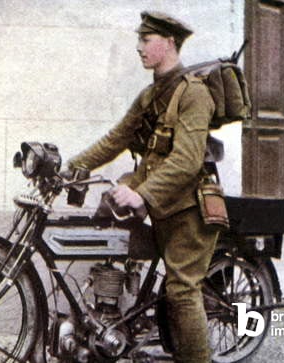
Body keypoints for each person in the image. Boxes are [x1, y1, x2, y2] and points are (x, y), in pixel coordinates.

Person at [66, 10, 218, 363]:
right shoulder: (150, 95)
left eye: (145, 40)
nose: (138, 47)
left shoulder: (194, 94)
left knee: (182, 289)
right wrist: (72, 167)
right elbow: (115, 139)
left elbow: (187, 160)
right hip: (158, 205)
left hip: (188, 209)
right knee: (110, 240)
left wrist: (141, 192)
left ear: (168, 43)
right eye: (139, 39)